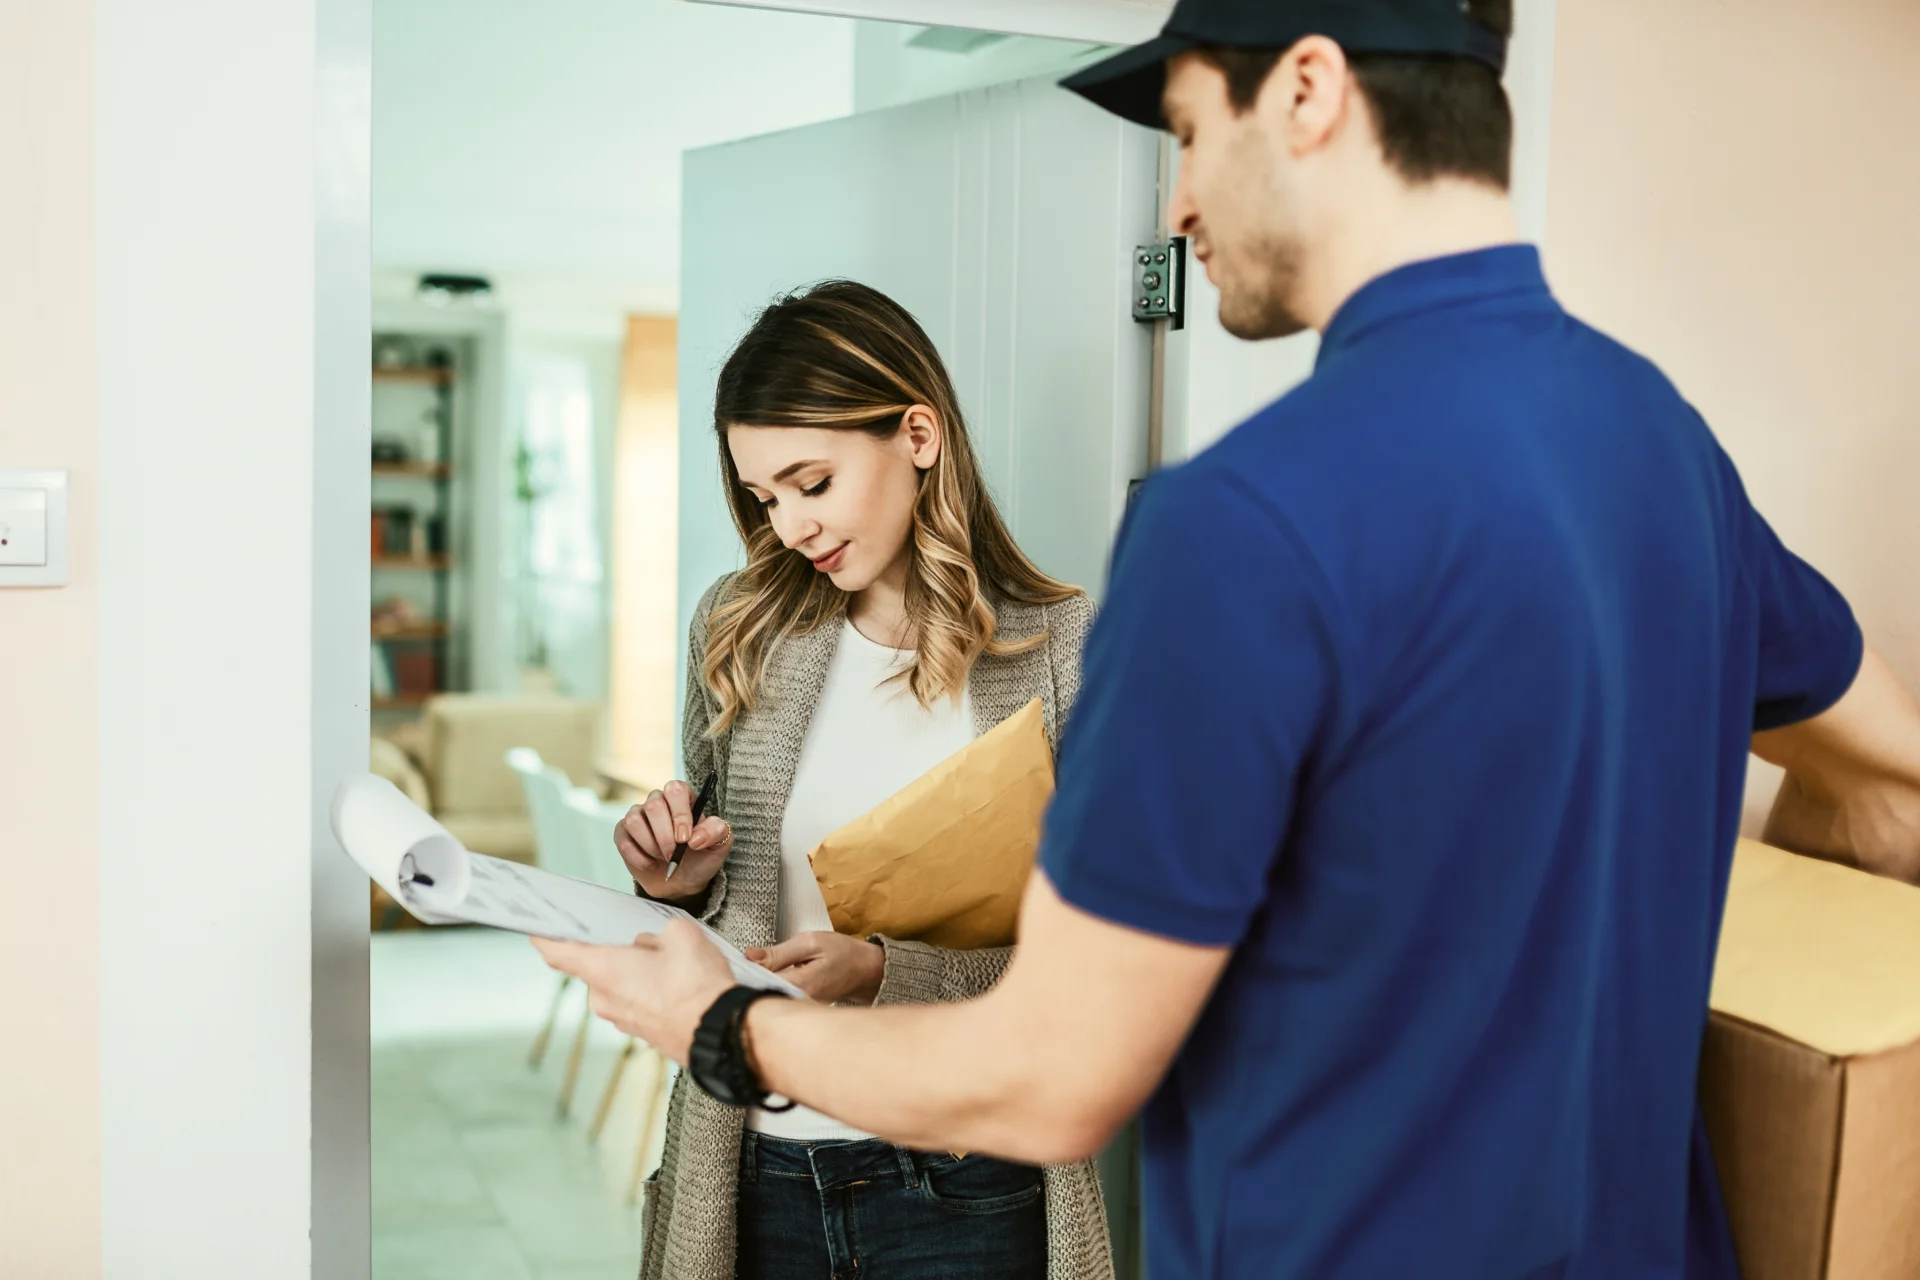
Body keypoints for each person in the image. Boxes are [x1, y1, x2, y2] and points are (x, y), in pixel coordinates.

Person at [540, 2, 1920, 1277]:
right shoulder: (1665, 451)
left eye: (1193, 131)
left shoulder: (1240, 525)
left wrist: (719, 1028)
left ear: (1308, 90)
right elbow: (1890, 786)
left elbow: (1056, 1074)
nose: (1181, 197)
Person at [609, 279, 1113, 1280]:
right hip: (754, 1168)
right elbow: (729, 898)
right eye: (765, 497)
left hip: (967, 1181)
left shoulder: (1063, 650)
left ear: (917, 434)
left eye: (812, 482)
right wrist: (675, 880)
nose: (790, 524)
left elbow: (1093, 974)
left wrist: (888, 972)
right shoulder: (739, 624)